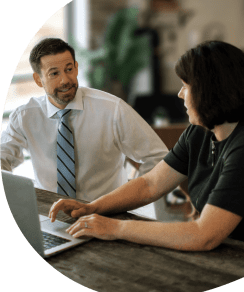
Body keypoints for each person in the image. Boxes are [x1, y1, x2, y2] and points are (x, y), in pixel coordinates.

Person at [49, 40, 244, 251]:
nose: (180, 94)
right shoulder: (199, 132)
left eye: (185, 87)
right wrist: (93, 207)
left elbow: (204, 234)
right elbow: (151, 184)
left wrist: (115, 228)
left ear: (210, 92)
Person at [0, 38, 168, 201]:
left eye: (69, 69)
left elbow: (158, 158)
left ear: (77, 68)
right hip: (49, 216)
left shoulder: (112, 109)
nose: (65, 80)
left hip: (107, 216)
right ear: (38, 79)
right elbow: (3, 159)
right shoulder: (24, 116)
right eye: (54, 73)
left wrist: (128, 197)